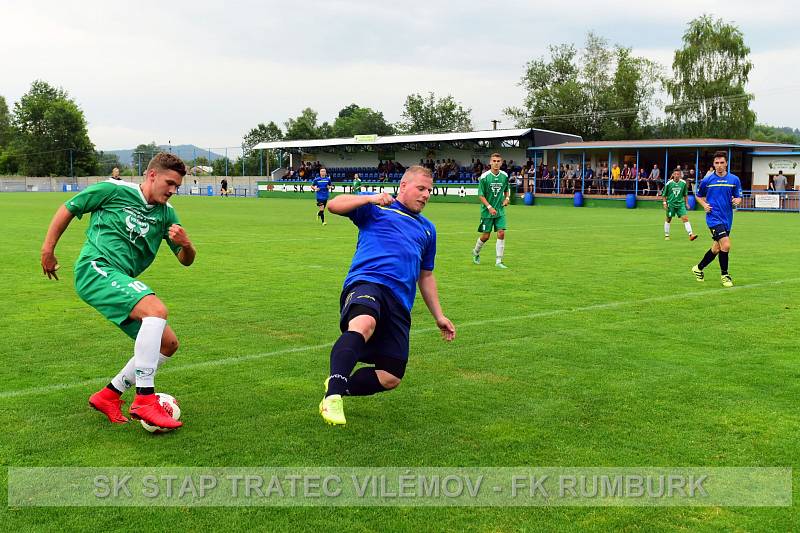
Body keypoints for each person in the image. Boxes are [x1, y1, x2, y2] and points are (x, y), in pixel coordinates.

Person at [40, 152, 196, 429]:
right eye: (170, 183)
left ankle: (108, 395)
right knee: (156, 310)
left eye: (177, 187)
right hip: (95, 268)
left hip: (118, 278)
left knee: (168, 344)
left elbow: (186, 261)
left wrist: (186, 244)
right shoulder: (112, 189)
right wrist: (48, 250)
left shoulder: (166, 214)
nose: (173, 191)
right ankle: (145, 399)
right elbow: (69, 208)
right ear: (152, 175)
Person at [318, 165, 456, 425]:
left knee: (390, 376)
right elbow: (335, 205)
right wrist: (370, 197)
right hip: (367, 282)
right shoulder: (378, 208)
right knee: (364, 323)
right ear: (403, 186)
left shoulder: (428, 229)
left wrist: (439, 316)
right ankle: (333, 396)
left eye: (430, 190)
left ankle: (339, 383)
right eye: (421, 188)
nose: (426, 195)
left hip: (400, 301)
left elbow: (425, 275)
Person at [691, 151, 742, 287]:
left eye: (722, 163)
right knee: (726, 245)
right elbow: (698, 195)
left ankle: (698, 268)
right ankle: (725, 275)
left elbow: (738, 197)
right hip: (713, 218)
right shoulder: (707, 180)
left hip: (727, 219)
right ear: (713, 164)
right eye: (716, 163)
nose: (719, 165)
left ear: (726, 164)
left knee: (716, 248)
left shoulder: (734, 180)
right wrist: (704, 205)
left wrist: (737, 200)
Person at [471, 153, 510, 268]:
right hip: (487, 211)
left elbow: (507, 189)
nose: (496, 163)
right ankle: (476, 252)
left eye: (498, 161)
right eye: (494, 161)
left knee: (501, 232)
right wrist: (489, 207)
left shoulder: (504, 176)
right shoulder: (484, 177)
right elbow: (481, 195)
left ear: (501, 163)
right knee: (486, 236)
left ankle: (499, 261)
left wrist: (507, 198)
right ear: (490, 162)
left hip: (500, 210)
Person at [662, 170, 698, 241]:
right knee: (668, 219)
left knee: (685, 218)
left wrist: (686, 203)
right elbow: (664, 195)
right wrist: (665, 203)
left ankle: (691, 234)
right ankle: (667, 235)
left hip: (680, 204)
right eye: (675, 174)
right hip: (671, 204)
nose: (676, 175)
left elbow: (685, 194)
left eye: (678, 174)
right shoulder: (669, 183)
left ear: (680, 175)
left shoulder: (683, 183)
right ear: (673, 175)